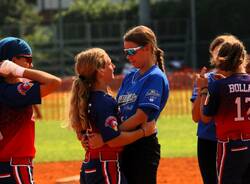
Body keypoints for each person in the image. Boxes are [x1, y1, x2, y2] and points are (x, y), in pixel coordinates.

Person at [68, 47, 157, 184]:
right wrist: (144, 132)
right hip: (105, 165)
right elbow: (114, 141)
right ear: (100, 70)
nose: (113, 66)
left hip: (91, 164)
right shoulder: (103, 101)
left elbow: (81, 135)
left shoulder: (86, 97)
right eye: (109, 63)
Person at [0, 37, 61, 184]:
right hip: (14, 165)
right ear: (12, 60)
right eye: (28, 59)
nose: (31, 64)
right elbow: (54, 82)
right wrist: (18, 70)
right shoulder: (12, 91)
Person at [116, 25, 169, 184]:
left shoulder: (155, 77)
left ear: (148, 48)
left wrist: (112, 134)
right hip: (125, 144)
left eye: (132, 51)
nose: (128, 57)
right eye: (126, 52)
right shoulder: (130, 76)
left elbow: (141, 116)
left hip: (142, 147)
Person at [197, 35, 250, 184]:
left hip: (230, 146)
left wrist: (203, 90)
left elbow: (205, 118)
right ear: (243, 59)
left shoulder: (218, 86)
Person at [191, 34, 233, 184]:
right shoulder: (205, 79)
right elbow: (196, 117)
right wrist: (201, 88)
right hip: (208, 140)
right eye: (216, 52)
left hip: (233, 139)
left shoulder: (241, 79)